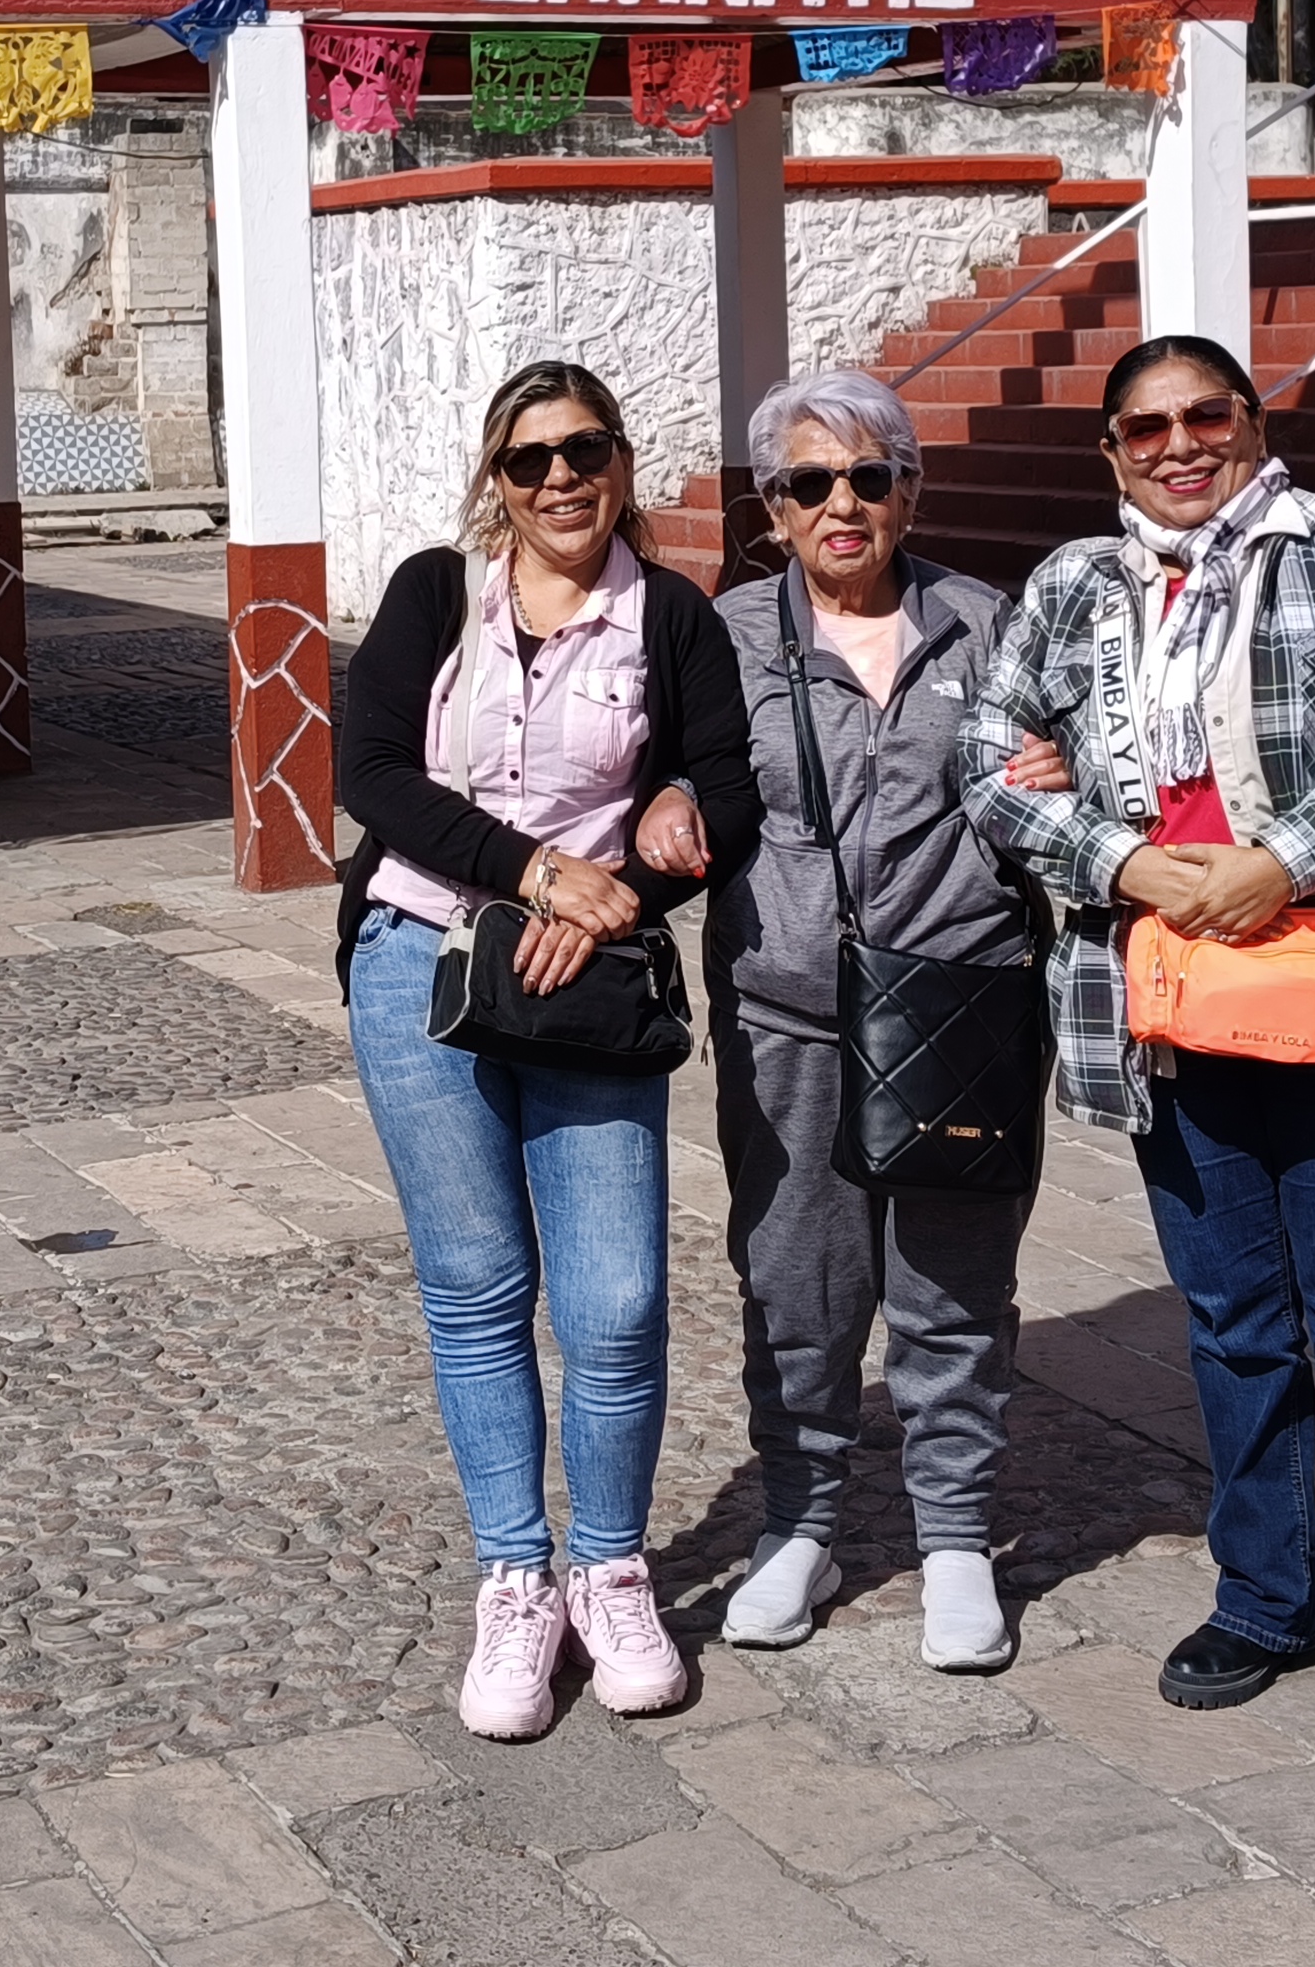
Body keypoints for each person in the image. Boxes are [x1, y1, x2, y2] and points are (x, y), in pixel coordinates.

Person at [960, 333, 1315, 1740]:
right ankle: (1266, 1594)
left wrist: (1281, 859)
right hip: (1167, 1003)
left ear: (1253, 423)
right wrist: (1117, 855)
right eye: (1145, 427)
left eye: (1207, 414)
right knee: (1232, 1320)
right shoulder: (1077, 588)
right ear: (1111, 452)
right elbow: (988, 755)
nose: (1179, 444)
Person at [334, 358, 759, 1743]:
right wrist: (537, 876)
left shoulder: (672, 618)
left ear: (622, 464)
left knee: (619, 1300)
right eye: (531, 462)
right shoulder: (431, 595)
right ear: (496, 481)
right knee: (473, 1287)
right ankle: (516, 1577)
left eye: (584, 452)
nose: (561, 480)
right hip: (423, 966)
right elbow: (373, 775)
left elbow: (724, 792)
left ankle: (613, 1570)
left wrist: (632, 885)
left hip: (590, 986)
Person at [636, 367, 1045, 1674]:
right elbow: (655, 771)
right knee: (797, 1280)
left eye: (871, 477)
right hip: (787, 1012)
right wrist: (658, 809)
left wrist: (1068, 772)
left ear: (909, 489)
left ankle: (958, 1536)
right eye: (810, 483)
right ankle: (802, 1521)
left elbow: (1073, 788)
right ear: (771, 508)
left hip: (961, 1002)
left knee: (952, 1283)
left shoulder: (987, 626)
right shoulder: (726, 636)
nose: (844, 504)